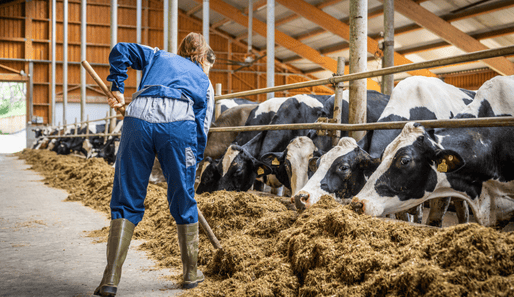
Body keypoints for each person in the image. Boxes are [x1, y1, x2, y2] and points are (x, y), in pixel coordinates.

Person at [94, 32, 215, 297]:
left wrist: (117, 87)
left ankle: (110, 277)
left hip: (137, 115)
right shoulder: (205, 81)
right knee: (183, 196)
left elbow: (121, 49)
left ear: (182, 50)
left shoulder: (157, 54)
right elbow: (201, 128)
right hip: (178, 120)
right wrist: (190, 162)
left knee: (126, 195)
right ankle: (190, 273)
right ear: (204, 57)